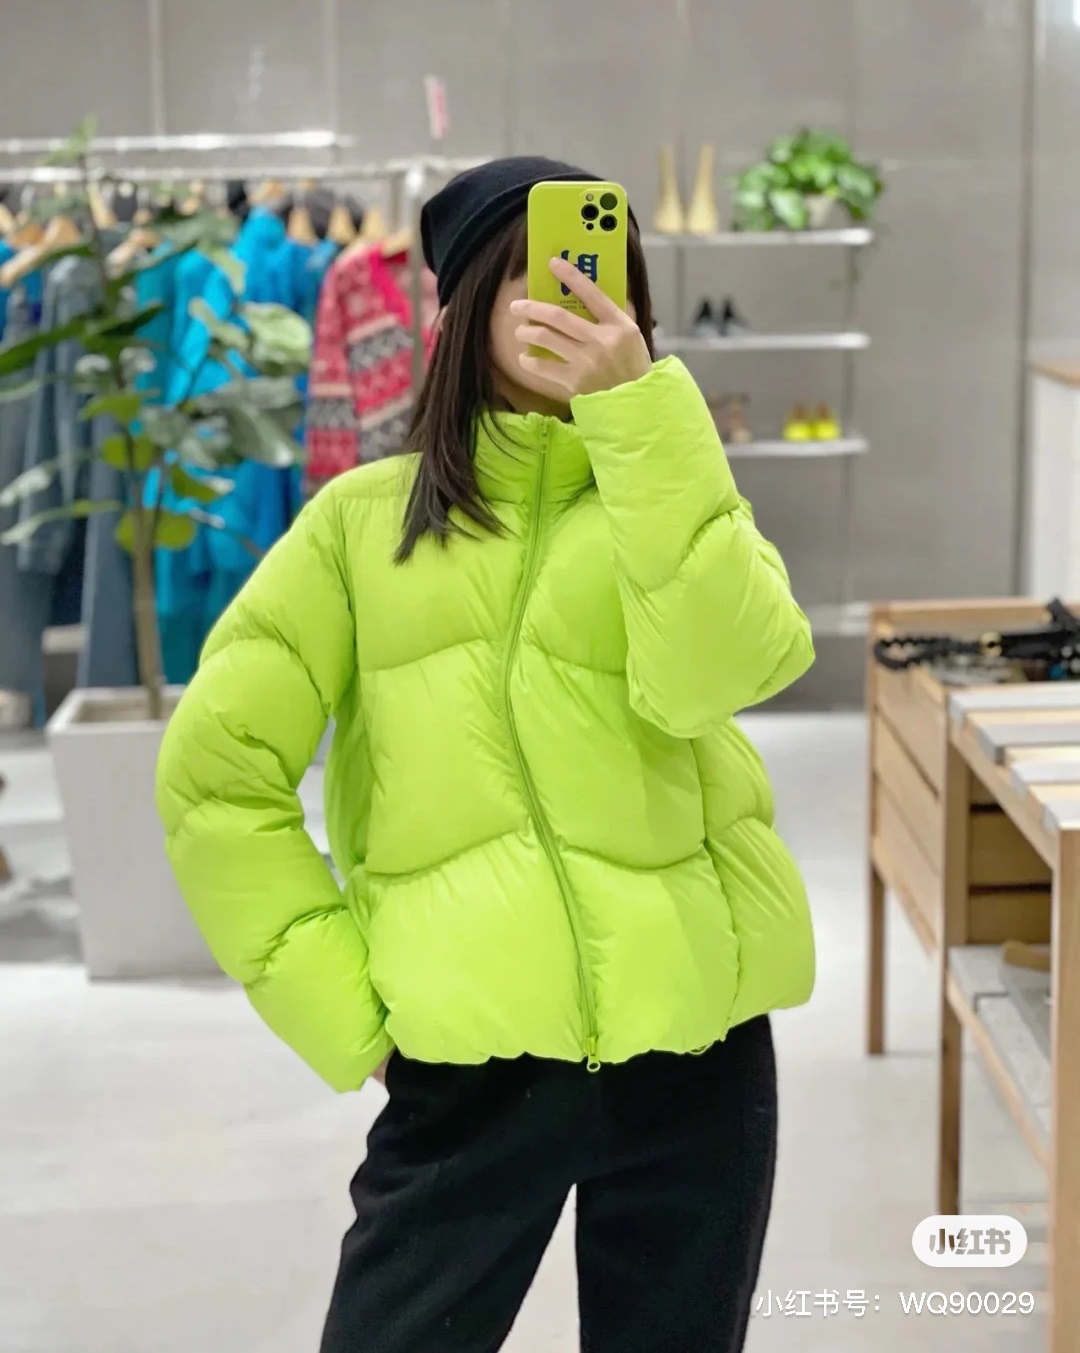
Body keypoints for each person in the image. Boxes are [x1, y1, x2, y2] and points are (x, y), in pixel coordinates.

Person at [156, 156, 816, 1353]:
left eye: (596, 274)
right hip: (470, 1063)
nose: (567, 301)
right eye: (528, 276)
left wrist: (644, 420)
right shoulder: (359, 526)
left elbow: (724, 672)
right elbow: (216, 775)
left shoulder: (670, 499)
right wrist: (349, 1008)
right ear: (460, 312)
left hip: (698, 1047)